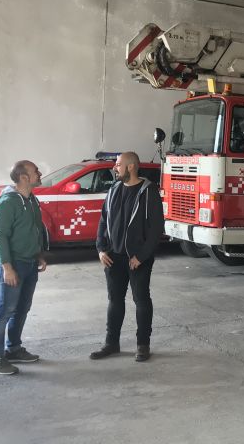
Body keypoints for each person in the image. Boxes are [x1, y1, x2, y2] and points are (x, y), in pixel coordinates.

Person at [90, 152, 164, 362]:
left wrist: (141, 256)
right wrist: (101, 249)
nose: (115, 167)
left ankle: (143, 345)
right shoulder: (113, 190)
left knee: (141, 300)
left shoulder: (148, 191)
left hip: (137, 259)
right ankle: (111, 343)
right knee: (115, 301)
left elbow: (155, 228)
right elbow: (103, 221)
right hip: (113, 257)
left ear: (131, 167)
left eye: (119, 164)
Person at [0, 160, 48, 375]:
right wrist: (7, 267)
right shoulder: (8, 202)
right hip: (13, 265)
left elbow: (35, 229)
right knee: (5, 311)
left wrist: (39, 254)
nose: (39, 174)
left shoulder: (31, 199)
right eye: (35, 172)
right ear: (24, 177)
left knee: (22, 309)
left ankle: (13, 349)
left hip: (30, 263)